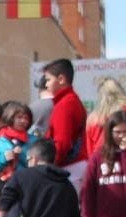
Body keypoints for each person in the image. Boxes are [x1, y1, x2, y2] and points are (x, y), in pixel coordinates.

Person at [42, 58, 88, 190]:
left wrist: (49, 167)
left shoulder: (65, 104)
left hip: (68, 168)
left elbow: (62, 143)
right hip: (74, 166)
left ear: (61, 79)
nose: (46, 85)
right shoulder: (71, 100)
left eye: (48, 79)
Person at [0, 102, 34, 184]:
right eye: (19, 117)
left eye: (26, 118)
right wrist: (2, 159)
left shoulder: (34, 141)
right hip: (5, 187)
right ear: (10, 118)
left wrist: (22, 155)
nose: (23, 121)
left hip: (28, 185)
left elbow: (40, 165)